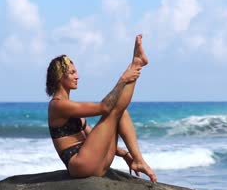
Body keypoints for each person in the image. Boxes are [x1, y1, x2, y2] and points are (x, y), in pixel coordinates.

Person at [46, 34, 157, 182]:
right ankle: (136, 63)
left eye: (76, 72)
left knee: (121, 112)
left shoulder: (71, 106)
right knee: (113, 111)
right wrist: (123, 79)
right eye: (72, 73)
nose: (77, 76)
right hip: (81, 164)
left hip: (96, 161)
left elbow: (97, 137)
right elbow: (104, 107)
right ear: (60, 77)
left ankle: (137, 159)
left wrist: (124, 154)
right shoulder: (58, 105)